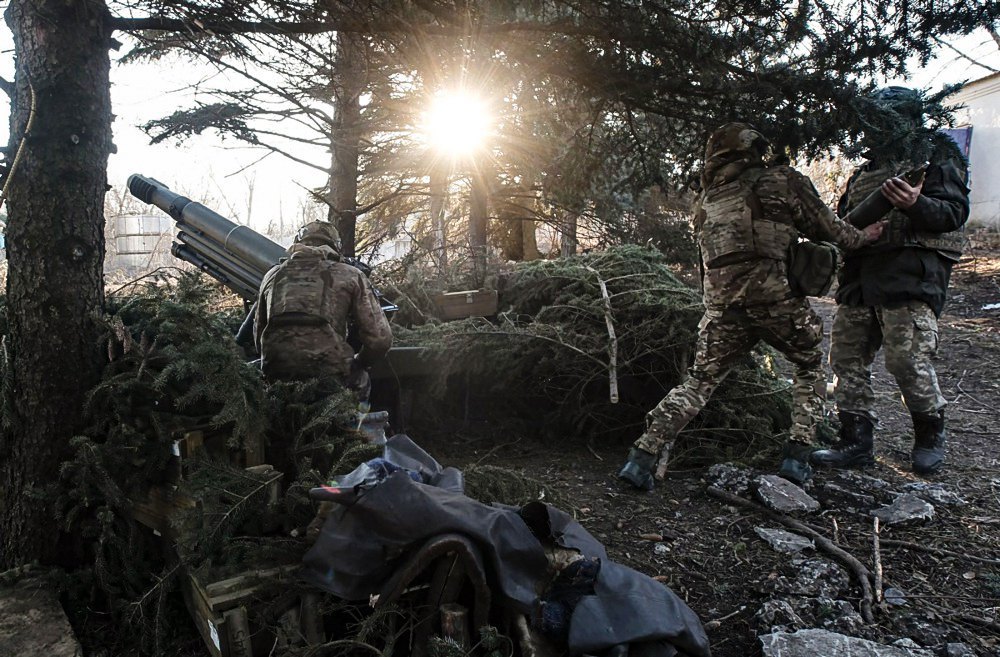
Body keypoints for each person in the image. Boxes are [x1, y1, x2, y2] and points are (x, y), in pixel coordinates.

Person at [618, 122, 883, 490]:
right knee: (808, 364)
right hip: (776, 301)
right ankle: (797, 457)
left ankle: (641, 458)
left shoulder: (708, 198)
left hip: (723, 306)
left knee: (699, 382)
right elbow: (831, 230)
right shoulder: (782, 180)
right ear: (757, 149)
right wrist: (863, 236)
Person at [812, 87, 970, 475]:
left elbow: (953, 214)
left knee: (906, 361)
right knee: (846, 360)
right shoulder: (863, 174)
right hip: (860, 279)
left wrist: (914, 204)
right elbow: (843, 224)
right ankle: (854, 441)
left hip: (908, 277)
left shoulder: (935, 159)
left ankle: (930, 435)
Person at [254, 220, 393, 396]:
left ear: (299, 242)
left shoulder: (272, 276)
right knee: (361, 380)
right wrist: (360, 363)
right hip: (330, 375)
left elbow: (258, 336)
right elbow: (380, 339)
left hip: (276, 373)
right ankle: (352, 422)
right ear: (335, 246)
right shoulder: (350, 274)